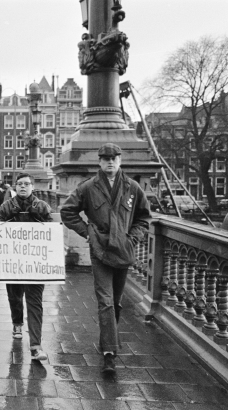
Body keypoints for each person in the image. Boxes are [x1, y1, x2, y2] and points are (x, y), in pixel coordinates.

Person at [60, 143, 151, 374]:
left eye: (114, 158)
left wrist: (133, 238)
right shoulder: (88, 187)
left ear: (120, 160)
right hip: (100, 251)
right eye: (105, 158)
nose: (110, 161)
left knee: (116, 302)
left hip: (123, 251)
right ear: (99, 162)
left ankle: (106, 339)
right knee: (106, 301)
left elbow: (143, 217)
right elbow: (67, 211)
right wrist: (87, 232)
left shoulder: (132, 188)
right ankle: (110, 353)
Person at [0, 173, 53, 361]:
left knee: (35, 301)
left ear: (32, 187)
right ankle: (17, 322)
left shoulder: (42, 206)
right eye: (19, 184)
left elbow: (52, 232)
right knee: (14, 295)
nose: (23, 187)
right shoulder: (6, 206)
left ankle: (36, 346)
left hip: (35, 264)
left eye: (26, 184)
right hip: (13, 261)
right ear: (15, 186)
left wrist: (41, 220)